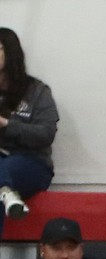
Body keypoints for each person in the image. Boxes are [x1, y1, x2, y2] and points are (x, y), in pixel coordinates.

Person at [0, 28, 58, 232]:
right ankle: (6, 193)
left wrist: (7, 125)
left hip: (32, 163)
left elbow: (45, 134)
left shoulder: (37, 91)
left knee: (6, 169)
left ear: (11, 53)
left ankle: (5, 189)